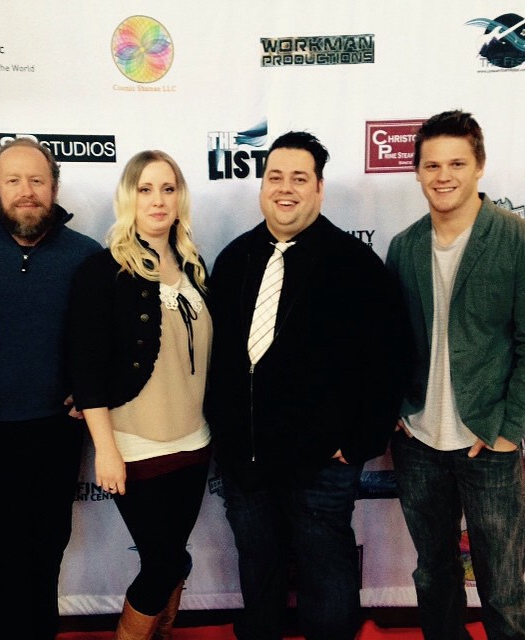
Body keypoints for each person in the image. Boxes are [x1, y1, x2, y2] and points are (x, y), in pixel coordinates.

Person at [205, 131, 406, 640]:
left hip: (323, 462)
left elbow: (389, 360)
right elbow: (215, 360)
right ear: (262, 186)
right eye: (275, 177)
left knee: (327, 574)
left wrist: (358, 442)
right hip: (247, 458)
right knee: (258, 568)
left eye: (299, 178)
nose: (285, 188)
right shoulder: (234, 259)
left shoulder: (356, 265)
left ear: (319, 188)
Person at [0, 137, 101, 640]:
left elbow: (115, 335)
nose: (26, 191)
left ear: (54, 187)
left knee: (46, 548)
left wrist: (91, 383)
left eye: (37, 180)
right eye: (13, 180)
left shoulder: (87, 255)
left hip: (53, 434)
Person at [386, 110, 525, 640]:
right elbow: (392, 342)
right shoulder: (403, 247)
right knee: (433, 574)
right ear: (418, 173)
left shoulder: (514, 239)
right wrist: (400, 408)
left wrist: (510, 430)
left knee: (505, 585)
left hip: (488, 441)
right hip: (419, 442)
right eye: (431, 165)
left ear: (480, 167)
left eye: (457, 163)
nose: (443, 176)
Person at [68, 150, 212, 639]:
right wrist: (106, 450)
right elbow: (85, 367)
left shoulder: (193, 264)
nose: (157, 199)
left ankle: (163, 632)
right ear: (129, 196)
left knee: (172, 559)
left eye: (167, 189)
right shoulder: (102, 271)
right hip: (136, 444)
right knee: (162, 561)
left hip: (194, 441)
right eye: (146, 189)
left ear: (180, 198)